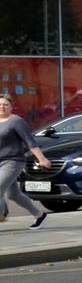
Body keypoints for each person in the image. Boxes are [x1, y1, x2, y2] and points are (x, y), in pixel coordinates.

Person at [0, 96, 53, 229]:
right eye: (0, 104)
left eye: (5, 104)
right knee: (13, 194)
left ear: (11, 107)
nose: (2, 107)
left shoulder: (16, 122)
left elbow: (30, 142)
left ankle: (1, 215)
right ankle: (39, 214)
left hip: (13, 161)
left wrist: (42, 159)